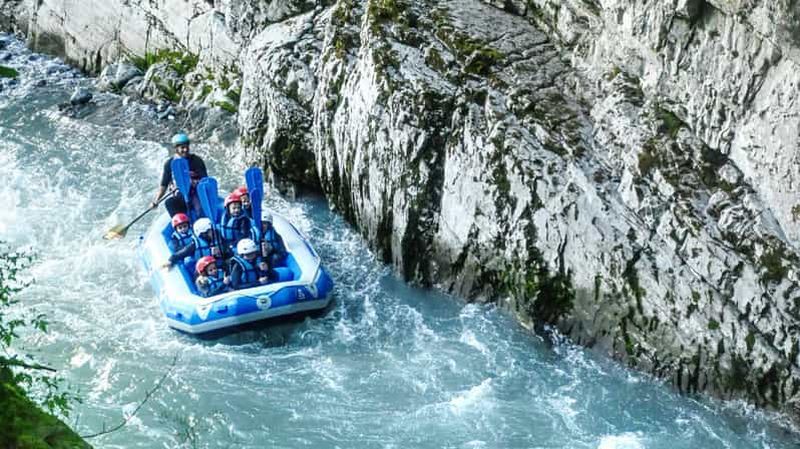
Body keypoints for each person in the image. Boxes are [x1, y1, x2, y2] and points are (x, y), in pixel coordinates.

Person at [150, 133, 208, 216]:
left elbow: (205, 180)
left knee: (198, 208)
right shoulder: (169, 164)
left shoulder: (196, 161)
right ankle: (181, 225)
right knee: (169, 202)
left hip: (196, 193)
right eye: (182, 148)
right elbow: (164, 185)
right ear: (176, 149)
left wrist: (194, 182)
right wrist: (156, 200)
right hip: (180, 195)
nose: (185, 150)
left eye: (187, 147)